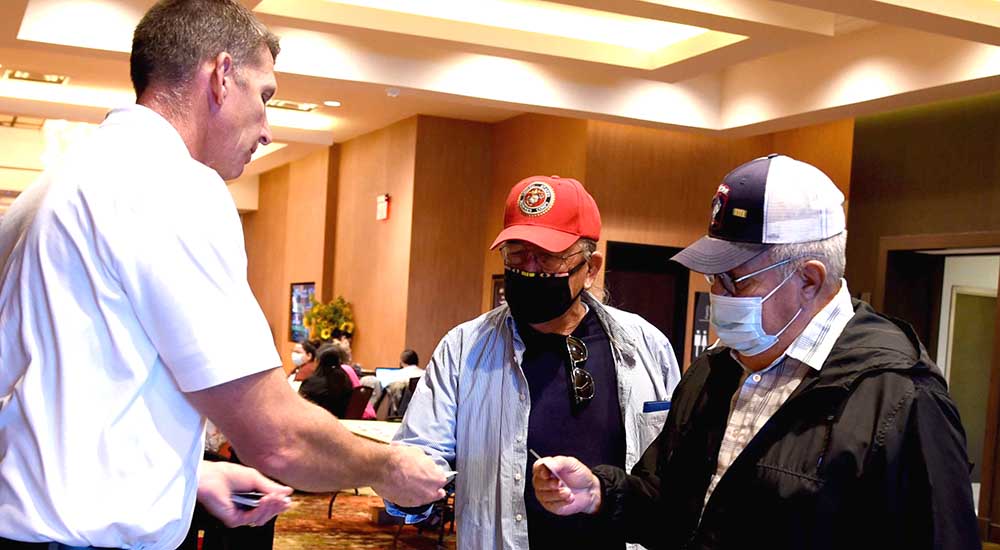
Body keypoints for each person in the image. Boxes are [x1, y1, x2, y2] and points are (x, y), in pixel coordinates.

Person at [0, 1, 445, 548]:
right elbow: (278, 438)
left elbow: (59, 398)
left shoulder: (50, 187)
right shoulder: (172, 183)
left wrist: (194, 477)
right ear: (222, 74)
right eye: (265, 97)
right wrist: (390, 466)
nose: (267, 129)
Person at [532, 154, 980, 550]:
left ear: (808, 278)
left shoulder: (901, 400)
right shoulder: (715, 372)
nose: (717, 293)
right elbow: (668, 505)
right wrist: (600, 494)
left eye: (735, 280)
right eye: (714, 277)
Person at [391, 175, 681, 549]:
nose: (530, 268)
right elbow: (422, 450)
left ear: (590, 268)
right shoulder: (464, 348)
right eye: (517, 252)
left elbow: (672, 467)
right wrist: (408, 481)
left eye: (547, 257)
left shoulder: (646, 346)